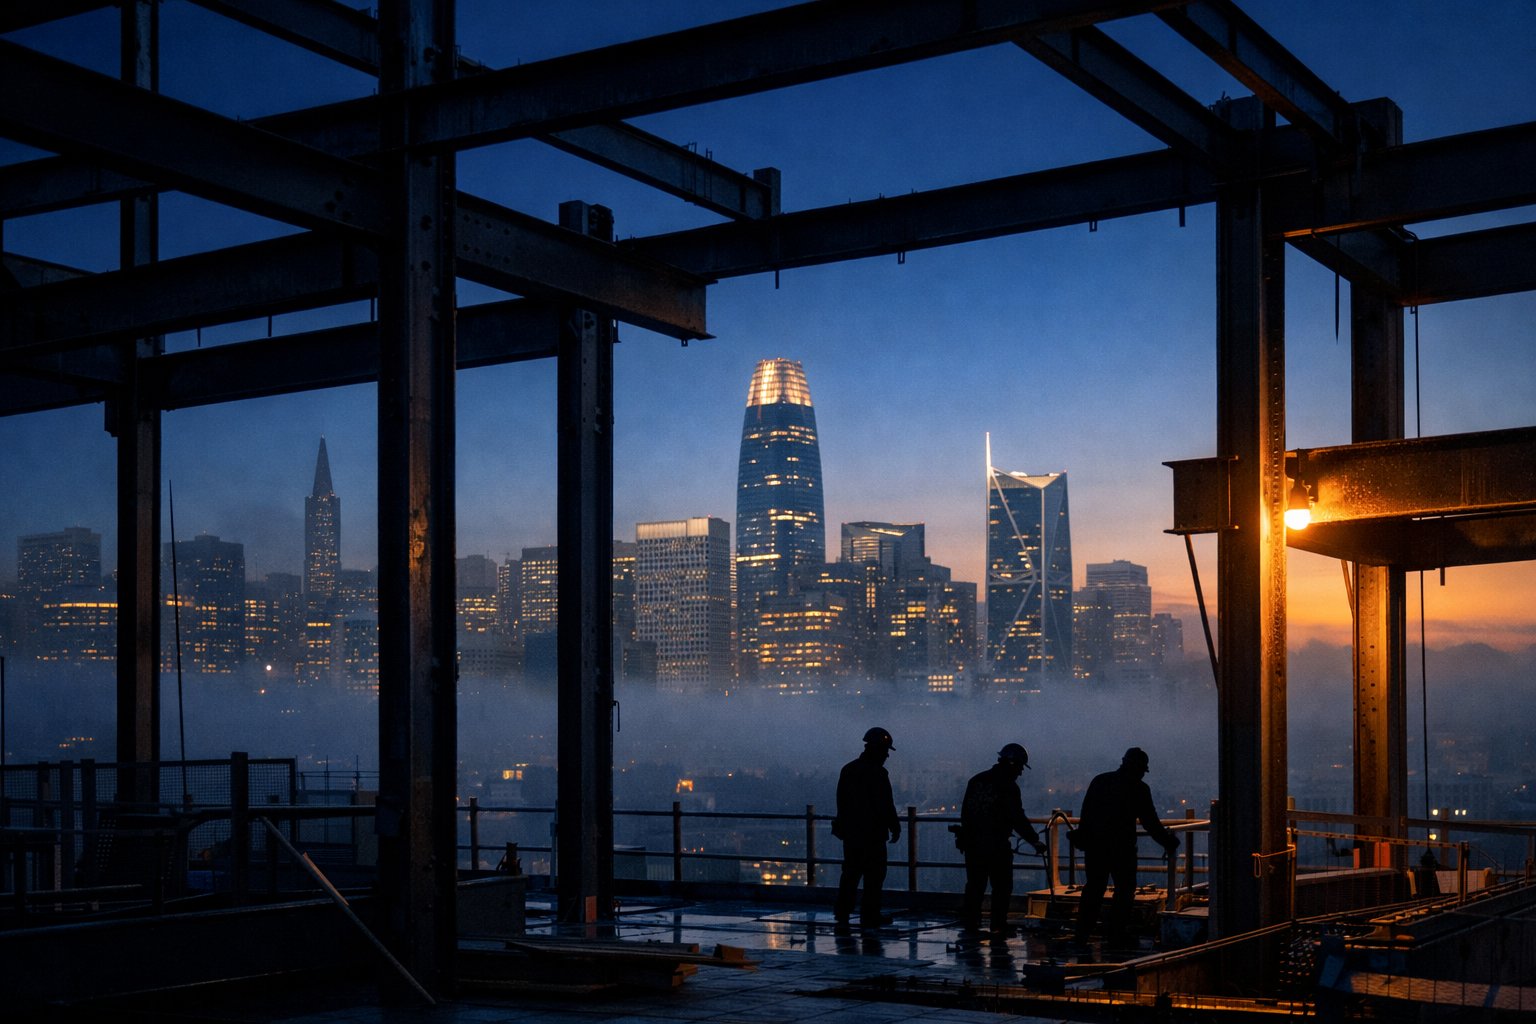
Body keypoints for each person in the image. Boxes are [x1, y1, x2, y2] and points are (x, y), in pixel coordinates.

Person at [1072, 746, 1179, 947]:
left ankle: (1082, 935)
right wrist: (1169, 842)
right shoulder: (1138, 788)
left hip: (1096, 847)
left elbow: (1086, 815)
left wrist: (1085, 839)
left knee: (1094, 889)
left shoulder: (1100, 781)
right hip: (1122, 849)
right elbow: (1150, 822)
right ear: (1139, 768)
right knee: (1124, 891)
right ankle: (1115, 935)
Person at [957, 742, 1046, 935]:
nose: (1021, 772)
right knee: (1002, 885)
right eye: (1020, 767)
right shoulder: (1008, 787)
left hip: (973, 843)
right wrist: (1034, 839)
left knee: (975, 885)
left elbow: (966, 813)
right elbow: (1016, 817)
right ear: (1013, 764)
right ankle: (998, 924)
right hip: (996, 844)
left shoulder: (976, 781)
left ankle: (971, 923)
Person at [832, 726, 900, 929]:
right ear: (878, 749)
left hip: (852, 834)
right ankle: (870, 914)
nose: (887, 755)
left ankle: (843, 910)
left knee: (851, 874)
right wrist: (894, 826)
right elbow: (886, 803)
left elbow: (841, 802)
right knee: (874, 876)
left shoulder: (849, 770)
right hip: (872, 835)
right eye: (885, 750)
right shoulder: (877, 773)